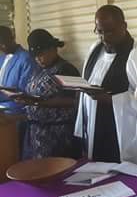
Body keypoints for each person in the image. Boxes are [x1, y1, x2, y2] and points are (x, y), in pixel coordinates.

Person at [73, 5, 137, 175]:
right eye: (99, 31)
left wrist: (112, 100)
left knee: (122, 177)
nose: (104, 38)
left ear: (124, 26)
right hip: (96, 126)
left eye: (109, 31)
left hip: (122, 131)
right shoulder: (95, 49)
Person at [12, 29, 80, 160]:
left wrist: (40, 102)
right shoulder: (39, 70)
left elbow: (76, 100)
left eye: (41, 54)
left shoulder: (66, 69)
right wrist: (23, 97)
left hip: (58, 136)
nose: (38, 59)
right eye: (35, 56)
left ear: (53, 49)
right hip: (35, 134)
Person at [0, 26, 38, 165]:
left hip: (17, 113)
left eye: (4, 43)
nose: (2, 47)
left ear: (12, 39)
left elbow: (24, 93)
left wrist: (4, 92)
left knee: (13, 157)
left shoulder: (26, 59)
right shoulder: (3, 57)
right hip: (3, 110)